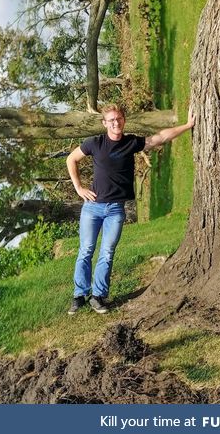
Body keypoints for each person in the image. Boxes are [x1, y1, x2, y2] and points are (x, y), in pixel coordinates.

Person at [66, 103, 195, 315]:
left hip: (115, 210)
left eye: (119, 119)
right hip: (92, 209)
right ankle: (79, 295)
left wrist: (188, 125)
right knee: (86, 251)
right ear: (104, 123)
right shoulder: (94, 143)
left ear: (123, 120)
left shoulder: (131, 143)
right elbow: (72, 159)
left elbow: (159, 138)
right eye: (111, 120)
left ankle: (98, 296)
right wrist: (79, 187)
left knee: (107, 253)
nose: (116, 123)